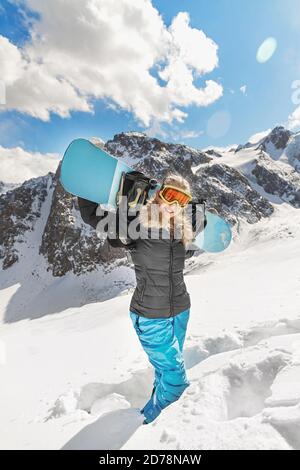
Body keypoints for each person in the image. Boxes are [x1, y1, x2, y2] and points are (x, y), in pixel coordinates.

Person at [78, 172, 206, 424]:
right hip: (150, 317)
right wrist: (87, 183)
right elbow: (92, 215)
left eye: (182, 199)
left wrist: (198, 214)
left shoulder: (182, 232)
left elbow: (191, 245)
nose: (174, 205)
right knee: (176, 379)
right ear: (159, 195)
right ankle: (150, 426)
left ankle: (155, 405)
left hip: (180, 311)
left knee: (165, 371)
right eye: (170, 195)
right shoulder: (137, 223)